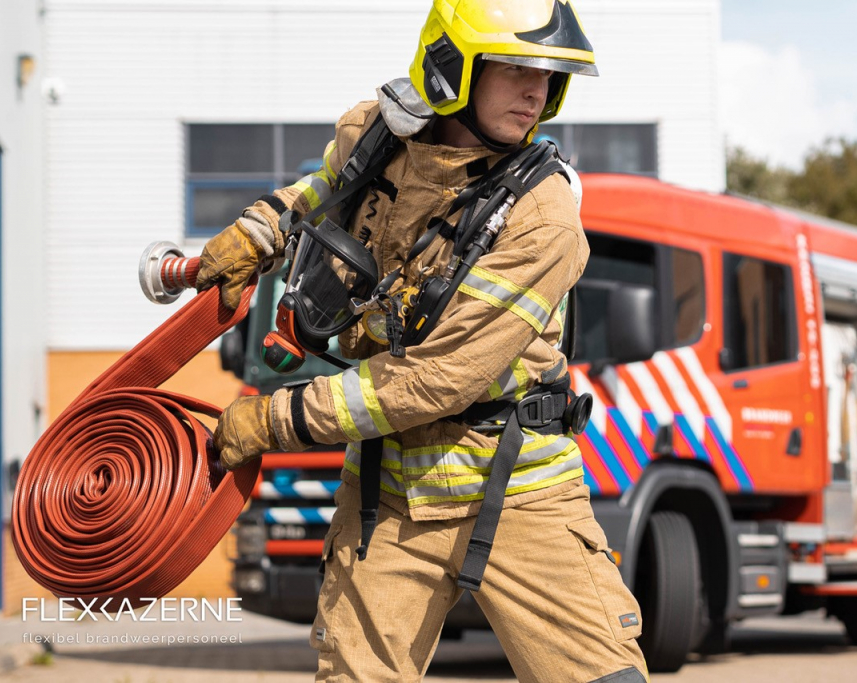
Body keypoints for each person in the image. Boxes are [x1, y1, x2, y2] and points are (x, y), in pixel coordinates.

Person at [198, 1, 650, 681]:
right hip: (389, 494)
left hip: (516, 487)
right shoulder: (377, 134)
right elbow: (329, 189)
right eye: (516, 66)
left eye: (549, 74)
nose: (537, 91)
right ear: (451, 65)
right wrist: (261, 229)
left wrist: (273, 419)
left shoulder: (544, 215)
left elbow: (435, 377)